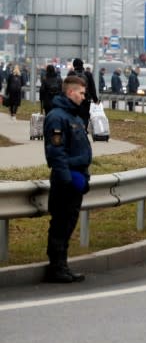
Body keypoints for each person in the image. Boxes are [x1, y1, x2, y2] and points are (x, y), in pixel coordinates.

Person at [43, 75, 92, 283]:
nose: (83, 97)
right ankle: (56, 267)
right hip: (66, 181)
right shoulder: (57, 117)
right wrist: (67, 180)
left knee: (68, 224)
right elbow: (56, 152)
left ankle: (62, 265)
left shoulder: (75, 117)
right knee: (61, 224)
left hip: (76, 178)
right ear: (71, 92)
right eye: (81, 93)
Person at [67, 58, 99, 129]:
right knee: (85, 115)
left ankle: (75, 129)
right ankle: (84, 129)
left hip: (74, 99)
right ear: (82, 65)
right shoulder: (88, 74)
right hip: (85, 99)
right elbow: (92, 88)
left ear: (74, 65)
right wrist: (95, 99)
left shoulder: (71, 74)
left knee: (74, 114)